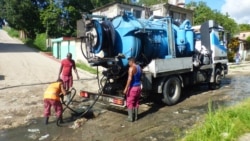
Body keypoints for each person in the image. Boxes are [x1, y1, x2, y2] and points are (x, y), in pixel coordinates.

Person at [123, 57, 142, 122]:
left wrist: (126, 88)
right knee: (136, 102)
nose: (128, 63)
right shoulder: (139, 67)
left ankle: (130, 118)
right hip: (138, 87)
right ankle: (136, 117)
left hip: (132, 88)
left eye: (129, 62)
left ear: (132, 61)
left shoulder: (131, 68)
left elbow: (129, 79)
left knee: (129, 102)